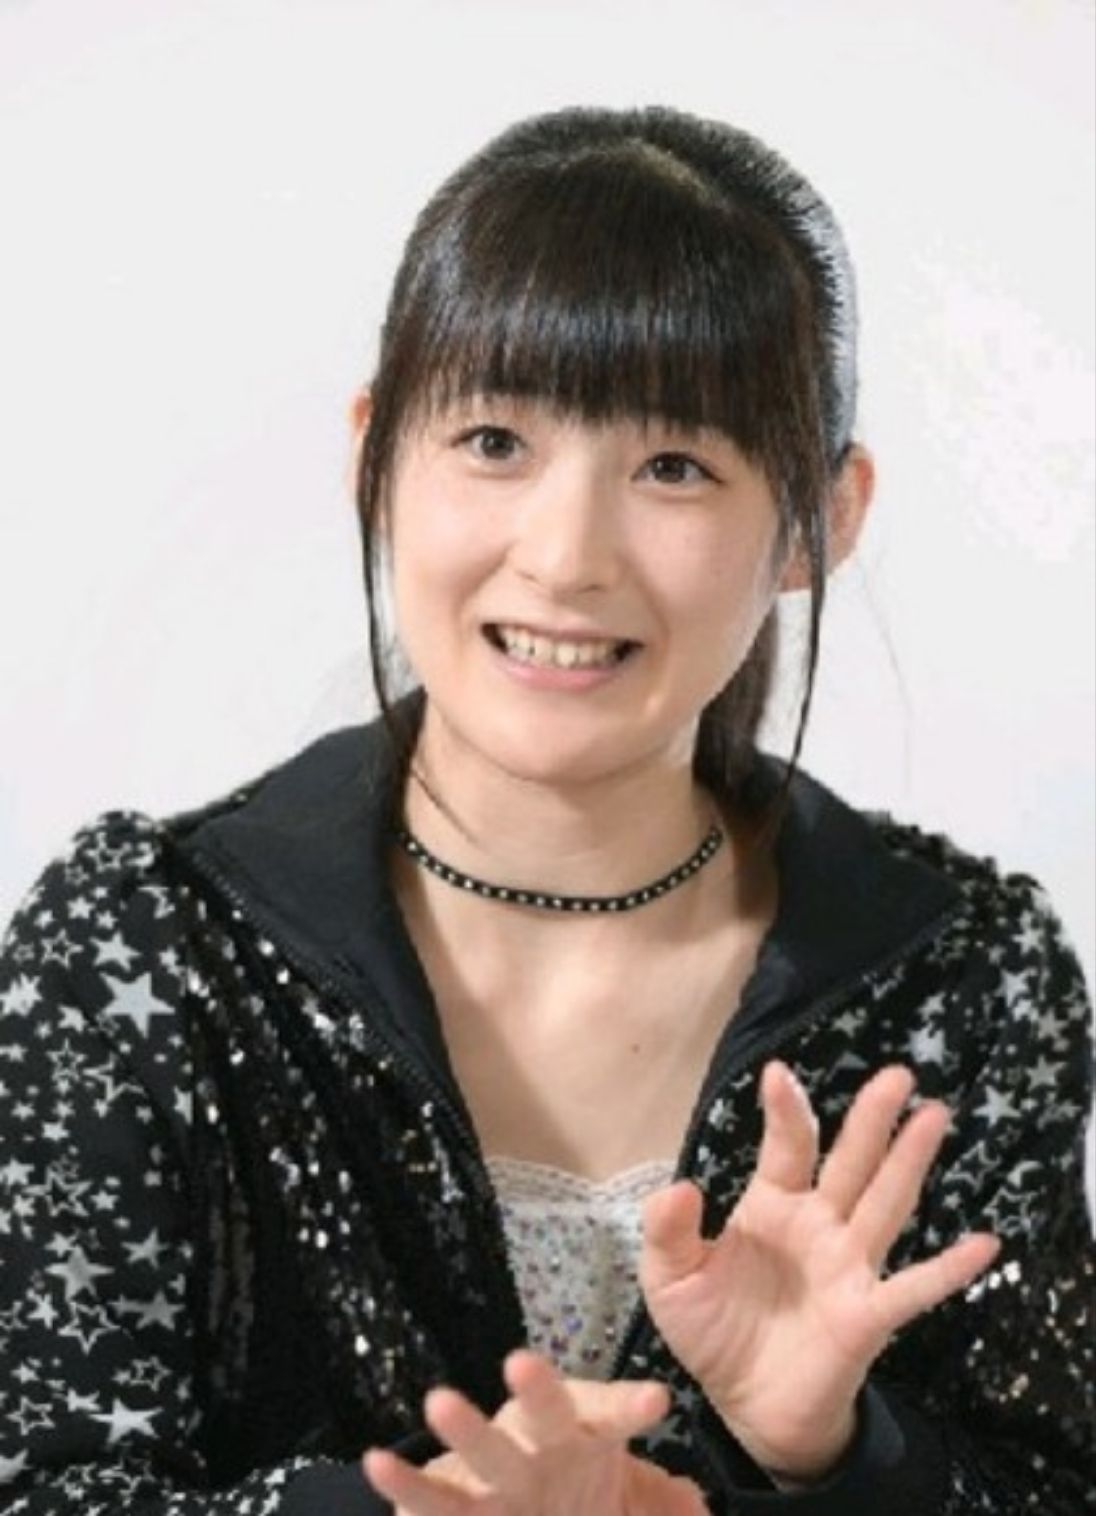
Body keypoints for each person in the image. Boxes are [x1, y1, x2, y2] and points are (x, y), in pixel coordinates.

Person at [0, 103, 1092, 1516]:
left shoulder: (967, 979)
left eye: (675, 467)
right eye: (494, 440)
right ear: (374, 455)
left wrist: (830, 1456)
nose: (567, 556)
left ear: (823, 517)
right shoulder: (147, 950)